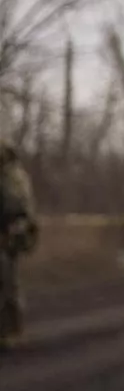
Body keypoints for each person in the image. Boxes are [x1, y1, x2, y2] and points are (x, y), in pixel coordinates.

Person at [0, 137, 35, 352]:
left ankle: (11, 331)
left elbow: (16, 208)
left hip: (10, 234)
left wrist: (12, 233)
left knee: (8, 284)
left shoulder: (13, 177)